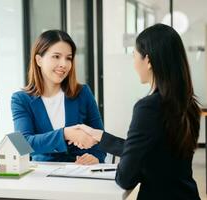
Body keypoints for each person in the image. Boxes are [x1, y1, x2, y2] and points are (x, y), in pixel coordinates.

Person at [74, 24, 201, 199]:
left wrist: (125, 164)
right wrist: (100, 137)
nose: (133, 63)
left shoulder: (148, 108)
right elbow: (157, 152)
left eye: (134, 56)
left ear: (148, 61)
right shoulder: (189, 104)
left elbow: (126, 178)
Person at [11, 30, 106, 164]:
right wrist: (65, 133)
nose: (64, 64)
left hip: (81, 172)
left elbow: (100, 136)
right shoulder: (21, 99)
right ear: (39, 60)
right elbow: (23, 144)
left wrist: (96, 158)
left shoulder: (83, 93)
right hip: (42, 175)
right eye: (56, 56)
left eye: (68, 58)